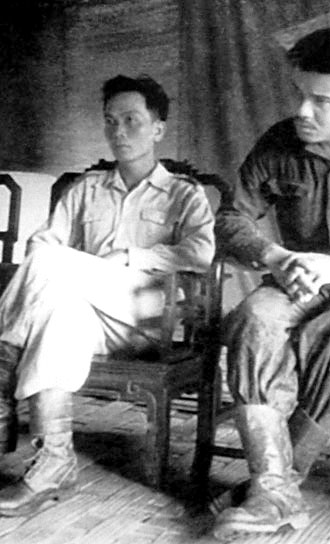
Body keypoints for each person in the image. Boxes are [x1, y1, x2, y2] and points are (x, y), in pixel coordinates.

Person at [213, 27, 330, 540]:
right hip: (293, 279)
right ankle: (277, 491)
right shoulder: (279, 142)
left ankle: (274, 484)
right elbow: (230, 218)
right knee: (253, 317)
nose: (303, 111)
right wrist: (273, 255)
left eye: (321, 100)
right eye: (299, 94)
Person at [0, 74, 215, 516]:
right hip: (90, 314)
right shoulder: (86, 189)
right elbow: (43, 244)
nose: (119, 131)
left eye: (132, 120)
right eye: (110, 121)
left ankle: (2, 375)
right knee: (59, 309)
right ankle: (54, 461)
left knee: (50, 265)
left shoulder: (183, 193)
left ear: (158, 129)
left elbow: (200, 253)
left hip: (146, 316)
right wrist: (80, 269)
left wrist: (132, 256)